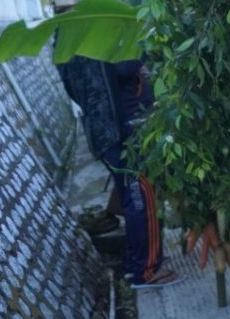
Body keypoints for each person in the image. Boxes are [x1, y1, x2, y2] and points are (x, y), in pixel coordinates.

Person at [59, 53, 178, 288]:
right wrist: (145, 51)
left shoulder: (67, 44)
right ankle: (147, 270)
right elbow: (124, 67)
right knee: (141, 198)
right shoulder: (92, 44)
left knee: (133, 197)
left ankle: (137, 263)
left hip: (106, 133)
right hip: (119, 135)